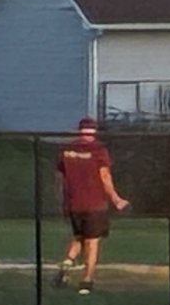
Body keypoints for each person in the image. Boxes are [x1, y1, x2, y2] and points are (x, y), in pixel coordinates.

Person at [53, 117, 129, 295]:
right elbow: (105, 177)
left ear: (79, 130)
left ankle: (67, 263)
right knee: (92, 242)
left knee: (79, 236)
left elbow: (59, 178)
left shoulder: (67, 150)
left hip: (74, 203)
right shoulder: (98, 150)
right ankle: (86, 282)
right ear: (94, 131)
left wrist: (61, 200)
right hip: (95, 203)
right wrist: (116, 199)